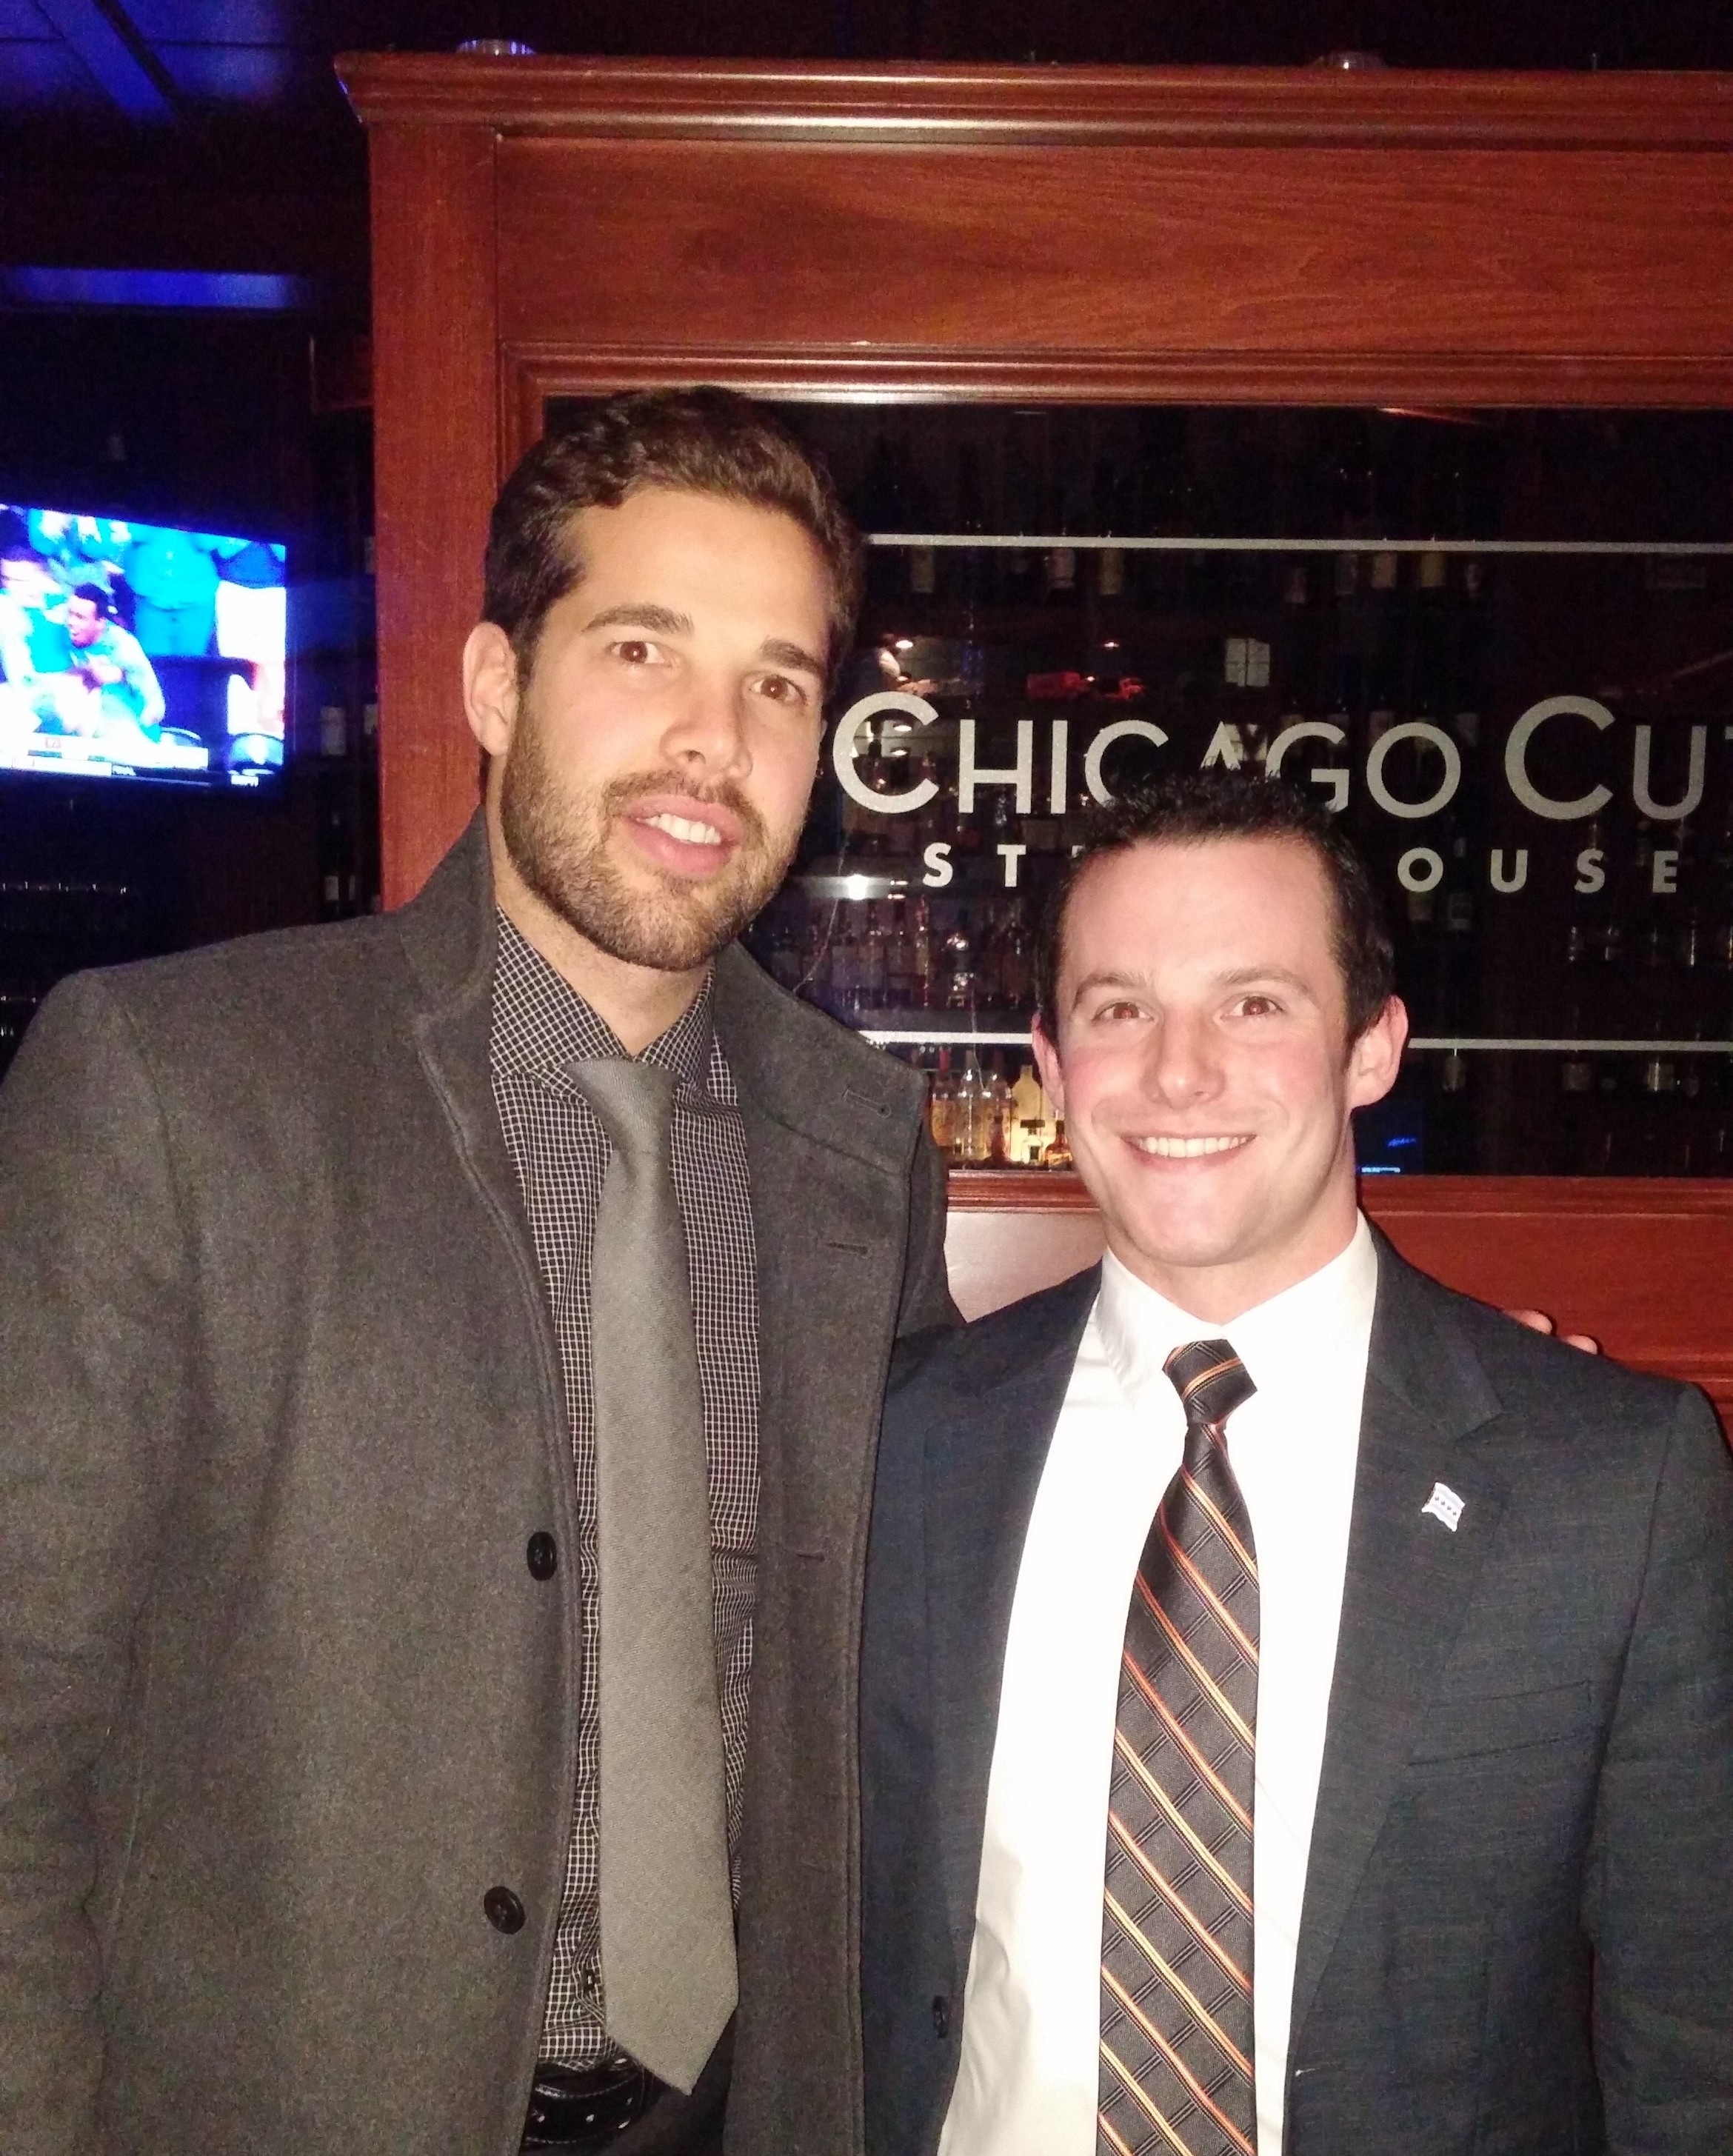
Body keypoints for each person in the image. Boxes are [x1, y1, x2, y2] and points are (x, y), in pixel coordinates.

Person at [0, 387, 954, 2156]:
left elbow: (949, 1574)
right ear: (498, 687)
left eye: (778, 683)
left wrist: (1298, 1395)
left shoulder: (857, 1149)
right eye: (644, 651)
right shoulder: (175, 1082)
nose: (711, 740)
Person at [860, 770, 1733, 2156]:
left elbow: (1695, 2046)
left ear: (1372, 1048)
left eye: (1253, 1002)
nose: (1179, 1070)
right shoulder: (901, 1447)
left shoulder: (1613, 1487)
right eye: (1119, 1009)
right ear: (1049, 1061)